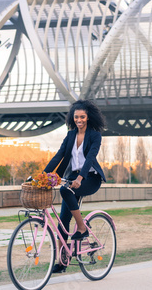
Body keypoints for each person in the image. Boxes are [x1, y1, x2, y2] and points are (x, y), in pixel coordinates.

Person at [43, 99, 106, 273]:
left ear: (88, 117)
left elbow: (90, 159)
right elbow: (59, 156)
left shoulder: (95, 136)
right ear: (73, 118)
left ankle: (82, 228)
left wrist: (80, 178)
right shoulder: (70, 135)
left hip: (90, 178)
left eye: (82, 117)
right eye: (76, 117)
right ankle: (62, 262)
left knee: (65, 190)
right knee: (62, 221)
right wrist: (43, 175)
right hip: (73, 178)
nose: (79, 120)